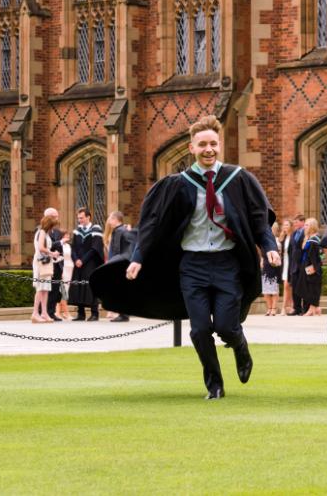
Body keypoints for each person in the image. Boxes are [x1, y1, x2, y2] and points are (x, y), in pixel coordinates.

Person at [90, 115, 280, 400]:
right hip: (193, 265)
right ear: (191, 148)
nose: (208, 149)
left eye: (213, 144)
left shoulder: (238, 179)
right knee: (200, 329)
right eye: (202, 144)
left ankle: (239, 346)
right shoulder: (178, 184)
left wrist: (269, 246)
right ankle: (214, 384)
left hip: (227, 263)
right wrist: (138, 257)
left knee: (227, 326)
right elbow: (153, 224)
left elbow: (257, 219)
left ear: (219, 146)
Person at [68, 208, 104, 321]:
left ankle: (94, 313)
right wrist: (76, 260)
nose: (80, 220)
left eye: (82, 218)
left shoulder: (96, 229)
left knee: (90, 287)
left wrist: (82, 260)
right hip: (78, 263)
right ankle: (81, 313)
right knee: (78, 286)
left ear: (88, 217)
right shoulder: (77, 231)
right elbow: (73, 247)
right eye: (78, 218)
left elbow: (95, 248)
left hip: (90, 263)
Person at [105, 211, 136, 322]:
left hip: (119, 263)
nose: (108, 221)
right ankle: (124, 313)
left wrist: (113, 263)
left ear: (115, 219)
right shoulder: (123, 230)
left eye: (110, 219)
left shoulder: (119, 231)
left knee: (120, 289)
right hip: (123, 262)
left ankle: (123, 314)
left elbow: (117, 250)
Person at [31, 213, 60, 323]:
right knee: (40, 288)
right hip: (40, 262)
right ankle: (35, 313)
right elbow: (41, 248)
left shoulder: (45, 233)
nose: (53, 228)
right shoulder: (41, 232)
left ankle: (44, 312)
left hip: (46, 262)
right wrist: (52, 253)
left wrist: (52, 254)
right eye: (52, 225)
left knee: (46, 288)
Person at [43, 207, 64, 321]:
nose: (57, 219)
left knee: (55, 289)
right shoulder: (41, 230)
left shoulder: (57, 231)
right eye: (55, 217)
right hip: (46, 263)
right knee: (46, 288)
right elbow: (44, 246)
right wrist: (60, 242)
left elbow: (61, 249)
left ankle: (51, 312)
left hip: (57, 264)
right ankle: (44, 311)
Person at [299, 218, 323, 316]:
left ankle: (312, 308)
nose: (305, 227)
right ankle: (315, 308)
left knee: (312, 287)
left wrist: (315, 267)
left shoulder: (315, 239)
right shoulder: (309, 238)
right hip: (306, 265)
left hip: (312, 266)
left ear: (312, 226)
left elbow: (320, 255)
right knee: (308, 287)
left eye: (307, 225)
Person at [261, 222, 282, 316]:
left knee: (274, 290)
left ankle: (274, 308)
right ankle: (269, 308)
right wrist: (261, 261)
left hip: (274, 267)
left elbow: (279, 255)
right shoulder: (264, 241)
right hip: (265, 265)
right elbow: (262, 253)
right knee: (265, 290)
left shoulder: (277, 241)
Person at [288, 214, 306, 315]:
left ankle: (304, 308)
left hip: (302, 264)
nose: (295, 224)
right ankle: (297, 308)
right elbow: (291, 250)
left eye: (296, 222)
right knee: (294, 287)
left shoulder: (306, 232)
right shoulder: (294, 233)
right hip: (294, 265)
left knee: (302, 287)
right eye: (294, 222)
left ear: (302, 222)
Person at [58, 231, 74, 320]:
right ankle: (65, 312)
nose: (68, 237)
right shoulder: (60, 246)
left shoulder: (68, 246)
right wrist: (60, 271)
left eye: (68, 235)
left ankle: (60, 312)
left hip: (70, 268)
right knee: (63, 290)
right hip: (64, 269)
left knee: (66, 290)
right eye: (66, 235)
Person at [279, 219, 294, 314]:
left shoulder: (293, 237)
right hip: (285, 263)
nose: (285, 227)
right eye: (284, 225)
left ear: (291, 226)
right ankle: (287, 307)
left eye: (287, 225)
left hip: (291, 264)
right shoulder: (283, 238)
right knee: (286, 286)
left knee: (288, 286)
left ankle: (286, 307)